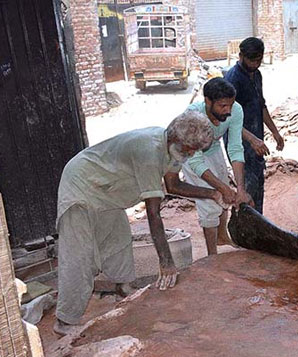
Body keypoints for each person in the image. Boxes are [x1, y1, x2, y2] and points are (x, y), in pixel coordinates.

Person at [54, 111, 222, 336]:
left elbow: (173, 186)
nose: (190, 154)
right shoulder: (148, 151)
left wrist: (213, 193)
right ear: (174, 139)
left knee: (118, 239)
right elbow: (154, 214)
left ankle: (122, 287)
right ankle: (65, 321)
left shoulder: (174, 150)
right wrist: (166, 262)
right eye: (187, 150)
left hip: (107, 193)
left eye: (193, 151)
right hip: (82, 185)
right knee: (79, 254)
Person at [182, 78, 253, 255]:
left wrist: (240, 189)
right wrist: (222, 188)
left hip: (213, 150)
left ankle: (222, 236)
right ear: (207, 101)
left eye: (230, 104)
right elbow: (196, 161)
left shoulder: (236, 110)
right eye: (222, 106)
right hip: (190, 154)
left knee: (226, 197)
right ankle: (211, 253)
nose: (228, 110)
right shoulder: (192, 117)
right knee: (211, 202)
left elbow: (235, 148)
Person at [224, 37, 284, 214]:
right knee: (246, 186)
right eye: (252, 60)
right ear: (241, 56)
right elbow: (226, 118)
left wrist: (275, 132)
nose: (256, 64)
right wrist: (251, 140)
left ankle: (258, 222)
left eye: (259, 59)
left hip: (257, 138)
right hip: (239, 142)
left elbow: (261, 105)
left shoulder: (257, 75)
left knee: (257, 183)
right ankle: (245, 226)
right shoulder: (232, 79)